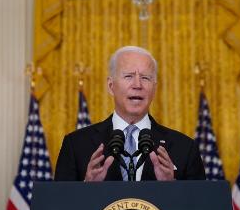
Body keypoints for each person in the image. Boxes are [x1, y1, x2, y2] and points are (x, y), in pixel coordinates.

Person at [54, 46, 206, 181]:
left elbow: (199, 209)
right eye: (128, 76)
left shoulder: (185, 148)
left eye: (145, 78)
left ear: (154, 89)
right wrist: (87, 188)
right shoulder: (76, 145)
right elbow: (59, 208)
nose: (137, 85)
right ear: (111, 86)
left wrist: (171, 187)